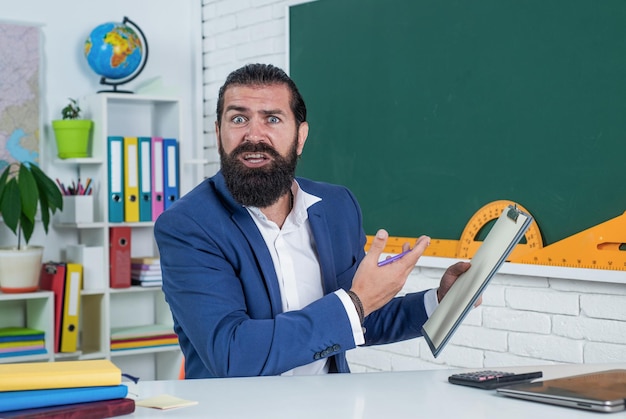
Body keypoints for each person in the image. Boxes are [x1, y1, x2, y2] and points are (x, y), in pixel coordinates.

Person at [154, 63, 473, 379]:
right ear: (217, 133)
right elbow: (233, 353)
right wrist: (357, 301)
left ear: (300, 136)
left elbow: (360, 317)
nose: (254, 135)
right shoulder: (188, 226)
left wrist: (440, 301)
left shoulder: (336, 206)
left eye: (273, 119)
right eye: (238, 119)